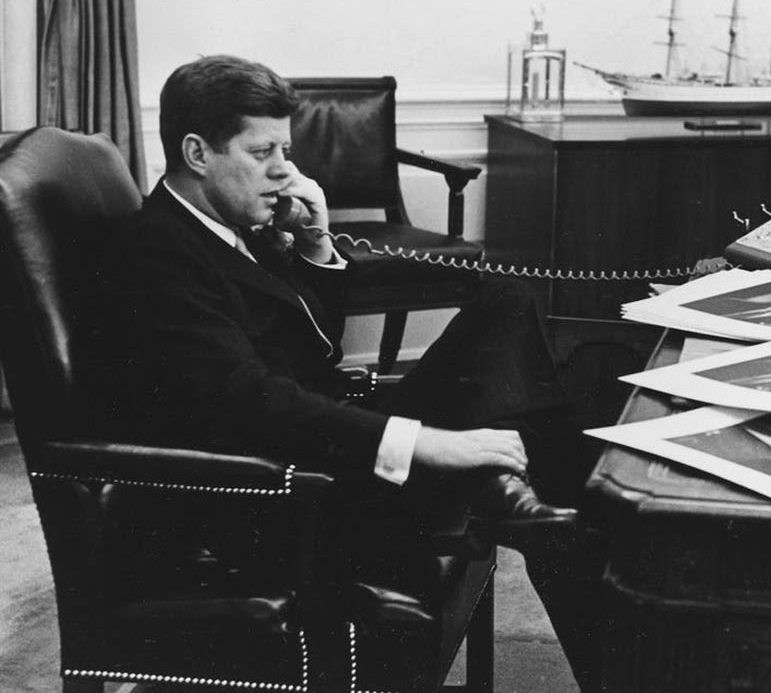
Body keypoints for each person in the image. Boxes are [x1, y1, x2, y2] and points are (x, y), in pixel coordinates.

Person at [86, 55, 608, 688]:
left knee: (504, 299)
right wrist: (431, 443)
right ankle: (551, 546)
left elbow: (308, 353)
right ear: (197, 152)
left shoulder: (227, 222)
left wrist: (314, 246)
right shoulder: (159, 253)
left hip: (323, 452)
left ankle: (515, 493)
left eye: (286, 147)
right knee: (566, 478)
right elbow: (251, 399)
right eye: (262, 151)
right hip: (282, 497)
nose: (284, 169)